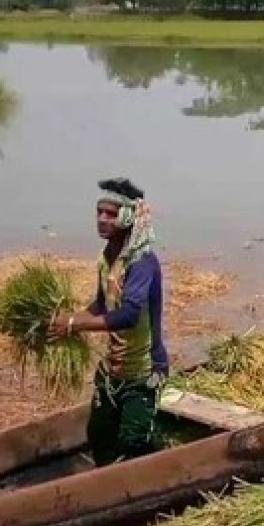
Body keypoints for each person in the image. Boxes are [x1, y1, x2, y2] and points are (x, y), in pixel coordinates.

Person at [48, 177, 169, 466]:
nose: (102, 219)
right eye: (99, 212)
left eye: (111, 214)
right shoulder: (106, 258)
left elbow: (128, 316)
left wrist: (76, 325)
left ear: (129, 217)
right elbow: (102, 305)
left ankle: (162, 462)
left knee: (133, 441)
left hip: (143, 371)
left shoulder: (142, 263)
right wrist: (66, 322)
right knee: (98, 435)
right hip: (113, 370)